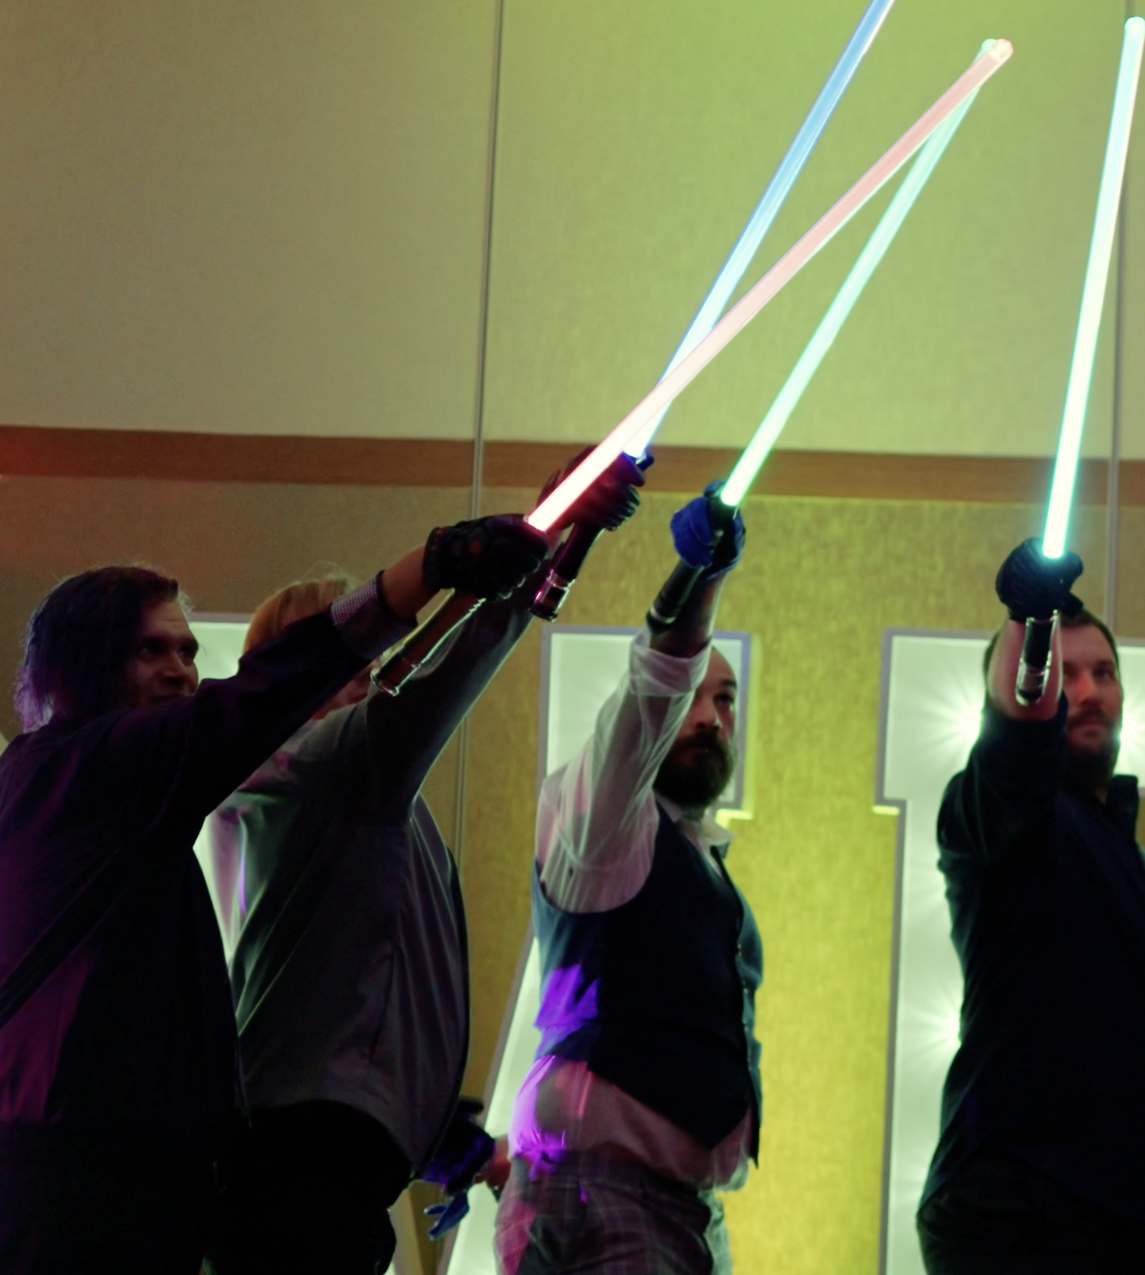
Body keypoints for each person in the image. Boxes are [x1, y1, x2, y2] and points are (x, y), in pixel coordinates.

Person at [0, 512, 552, 1275]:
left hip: (124, 1183)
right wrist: (431, 566)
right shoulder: (87, 772)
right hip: (81, 1183)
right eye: (148, 648)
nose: (180, 670)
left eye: (188, 651)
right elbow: (258, 699)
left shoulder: (118, 807)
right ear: (80, 667)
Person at [204, 456, 642, 1275]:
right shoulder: (310, 766)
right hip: (298, 1163)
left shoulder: (367, 799)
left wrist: (454, 1145)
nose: (372, 679)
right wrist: (555, 525)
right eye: (350, 662)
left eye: (372, 663)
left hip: (330, 1160)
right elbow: (442, 679)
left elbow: (375, 985)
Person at [916, 542, 1145, 1275]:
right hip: (1022, 1208)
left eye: (1103, 672)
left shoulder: (1143, 872)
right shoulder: (999, 813)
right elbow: (1017, 748)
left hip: (1138, 1221)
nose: (1090, 688)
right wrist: (1027, 620)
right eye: (1063, 673)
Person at [495, 487, 759, 1275]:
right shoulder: (605, 825)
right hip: (601, 1195)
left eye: (725, 697)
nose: (710, 716)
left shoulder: (699, 856)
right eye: (693, 697)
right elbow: (651, 689)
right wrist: (697, 579)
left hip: (681, 1207)